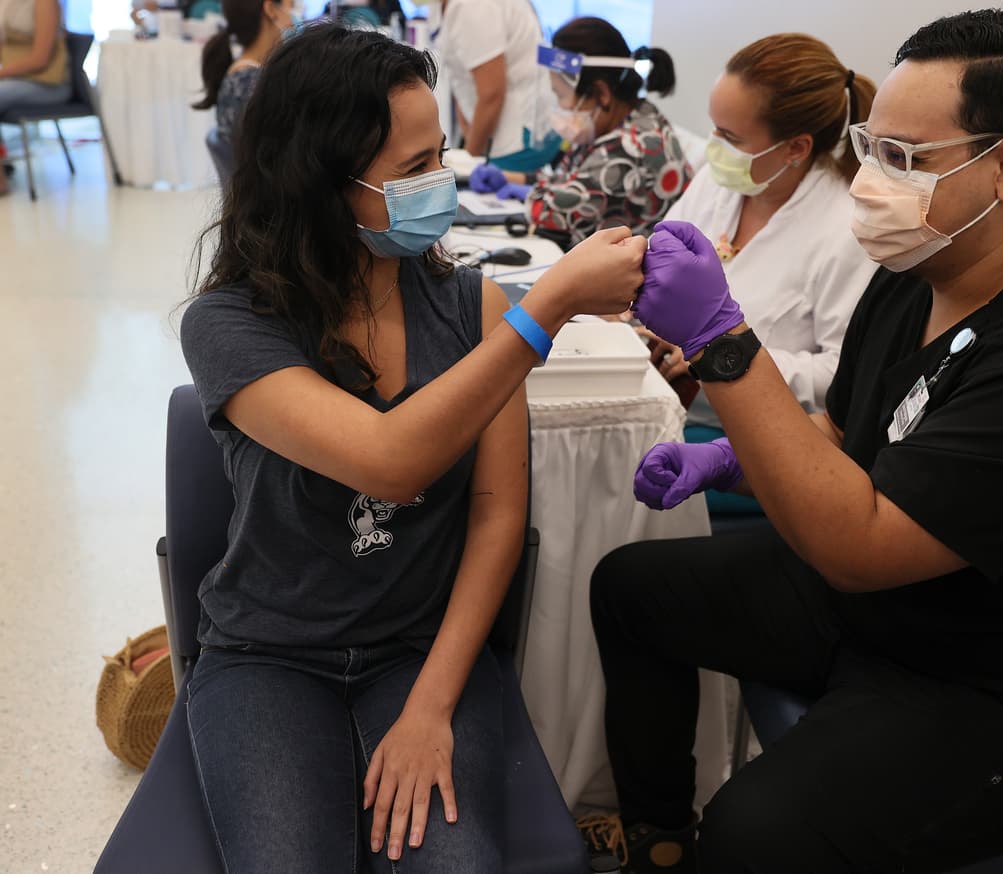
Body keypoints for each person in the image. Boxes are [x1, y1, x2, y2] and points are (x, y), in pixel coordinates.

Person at [591, 8, 1003, 873]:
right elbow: (842, 434)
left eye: (905, 160)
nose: (870, 182)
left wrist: (724, 343)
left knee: (755, 834)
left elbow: (858, 548)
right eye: (872, 148)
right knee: (632, 589)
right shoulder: (921, 271)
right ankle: (657, 841)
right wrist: (730, 458)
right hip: (894, 610)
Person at [180, 23, 644, 874]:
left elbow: (500, 513)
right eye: (413, 169)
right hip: (268, 656)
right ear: (321, 185)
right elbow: (389, 460)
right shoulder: (230, 325)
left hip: (420, 652)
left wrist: (433, 704)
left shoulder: (474, 311)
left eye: (441, 155)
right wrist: (550, 307)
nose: (442, 184)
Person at [647, 33, 878, 513]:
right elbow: (658, 259)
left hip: (759, 442)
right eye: (714, 129)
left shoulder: (847, 231)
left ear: (795, 147)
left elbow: (842, 375)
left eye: (730, 138)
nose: (713, 148)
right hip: (667, 402)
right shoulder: (720, 182)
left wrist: (717, 354)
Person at [468, 16, 691, 247]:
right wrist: (508, 178)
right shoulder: (631, 116)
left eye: (562, 96)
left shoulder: (630, 147)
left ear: (601, 93)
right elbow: (569, 179)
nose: (560, 107)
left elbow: (556, 210)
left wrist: (526, 192)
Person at [437, 0, 557, 173]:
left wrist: (469, 162)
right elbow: (464, 74)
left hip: (515, 136)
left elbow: (492, 93)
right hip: (515, 127)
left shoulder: (472, 6)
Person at [191, 0, 299, 148]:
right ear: (270, 9)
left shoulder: (242, 77)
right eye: (290, 7)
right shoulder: (255, 84)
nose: (293, 20)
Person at [0, 0, 68, 196]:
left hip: (47, 82)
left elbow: (40, 59)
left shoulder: (45, 3)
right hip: (14, 79)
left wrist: (2, 73)